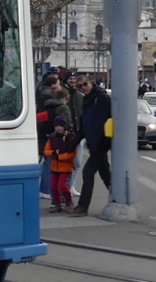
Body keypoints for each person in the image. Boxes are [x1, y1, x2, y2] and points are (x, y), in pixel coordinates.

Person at [68, 75, 113, 216]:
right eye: (79, 86)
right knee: (105, 174)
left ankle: (82, 207)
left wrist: (96, 142)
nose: (83, 88)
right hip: (94, 142)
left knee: (88, 172)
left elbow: (100, 123)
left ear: (92, 83)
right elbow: (83, 126)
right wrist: (72, 144)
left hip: (101, 142)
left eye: (85, 84)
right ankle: (118, 198)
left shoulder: (101, 98)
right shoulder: (86, 100)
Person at [43, 114, 79, 213]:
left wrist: (60, 157)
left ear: (64, 127)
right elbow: (46, 150)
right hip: (55, 166)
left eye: (60, 126)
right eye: (56, 126)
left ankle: (69, 201)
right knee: (53, 187)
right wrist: (53, 154)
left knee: (62, 186)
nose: (58, 128)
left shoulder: (69, 138)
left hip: (66, 166)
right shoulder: (52, 138)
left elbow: (72, 153)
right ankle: (57, 204)